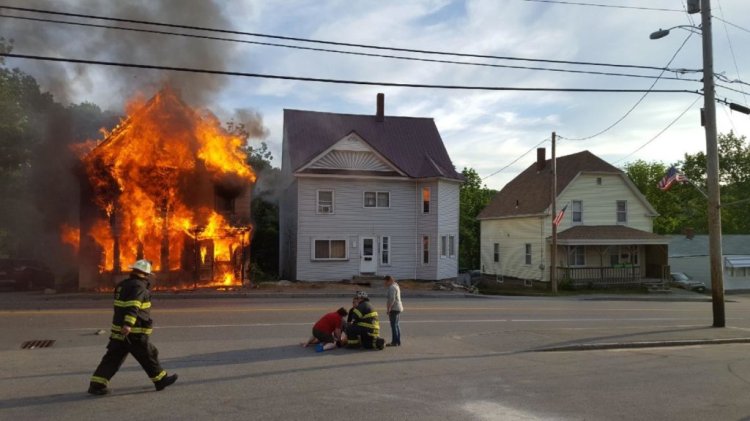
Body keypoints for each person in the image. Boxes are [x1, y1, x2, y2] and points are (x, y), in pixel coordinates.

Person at [88, 259, 178, 395]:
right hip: (133, 331)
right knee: (148, 355)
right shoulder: (139, 287)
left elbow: (122, 307)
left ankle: (97, 384)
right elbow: (133, 306)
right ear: (145, 274)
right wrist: (128, 324)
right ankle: (160, 380)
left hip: (119, 329)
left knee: (113, 358)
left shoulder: (122, 285)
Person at [384, 275, 403, 347]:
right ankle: (398, 341)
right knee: (396, 325)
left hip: (394, 308)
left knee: (394, 326)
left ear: (389, 281)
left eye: (385, 282)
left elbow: (392, 299)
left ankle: (394, 342)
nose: (385, 283)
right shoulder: (396, 285)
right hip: (398, 307)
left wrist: (389, 309)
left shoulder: (392, 287)